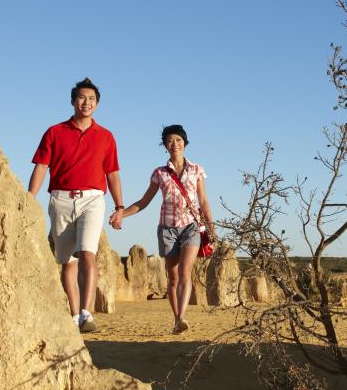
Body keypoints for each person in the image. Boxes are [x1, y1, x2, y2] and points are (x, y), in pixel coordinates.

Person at [27, 77, 123, 333]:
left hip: (93, 199)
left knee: (88, 254)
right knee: (68, 261)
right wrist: (28, 198)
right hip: (60, 199)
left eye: (91, 99)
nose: (86, 102)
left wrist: (119, 206)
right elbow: (41, 167)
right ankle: (72, 315)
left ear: (97, 104)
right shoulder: (54, 132)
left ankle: (86, 314)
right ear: (73, 101)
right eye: (82, 98)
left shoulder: (106, 136)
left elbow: (112, 173)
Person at [114, 124, 214, 334]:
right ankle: (177, 319)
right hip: (167, 229)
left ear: (185, 142)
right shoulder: (159, 173)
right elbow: (144, 201)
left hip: (191, 227)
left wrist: (211, 227)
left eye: (178, 140)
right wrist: (121, 213)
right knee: (174, 277)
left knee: (186, 272)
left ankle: (181, 317)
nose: (174, 144)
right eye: (170, 141)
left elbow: (203, 200)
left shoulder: (197, 170)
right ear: (165, 146)